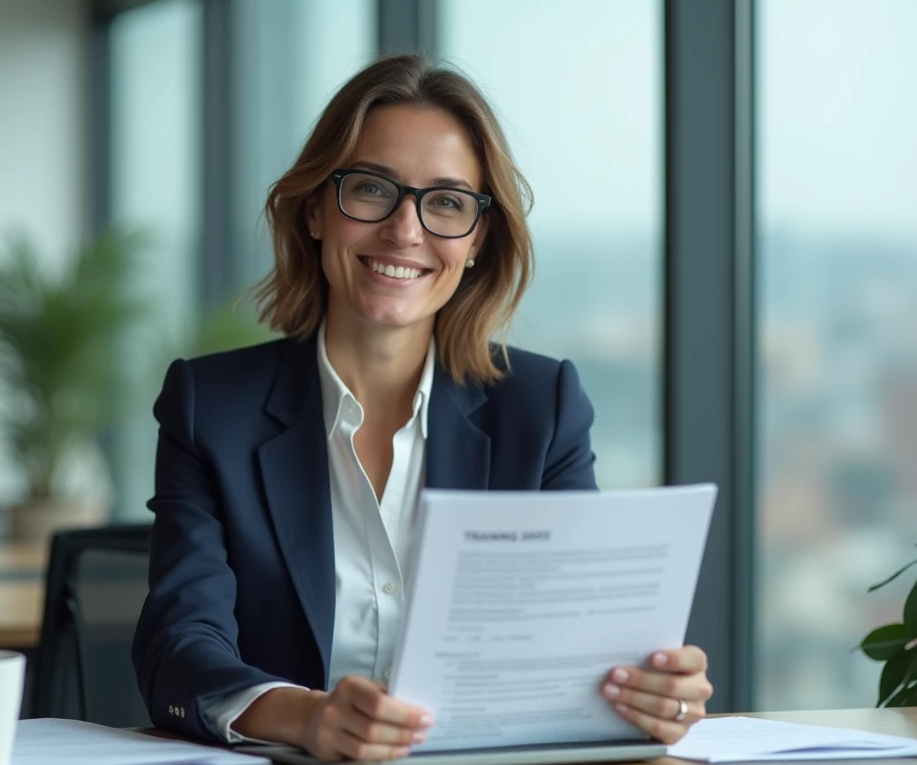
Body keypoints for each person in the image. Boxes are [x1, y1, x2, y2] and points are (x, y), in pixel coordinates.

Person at [131, 53, 713, 760]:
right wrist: (309, 718)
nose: (405, 231)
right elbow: (178, 647)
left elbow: (577, 646)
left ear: (476, 241)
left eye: (445, 202)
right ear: (316, 209)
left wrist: (652, 692)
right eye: (372, 189)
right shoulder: (210, 407)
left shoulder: (542, 406)